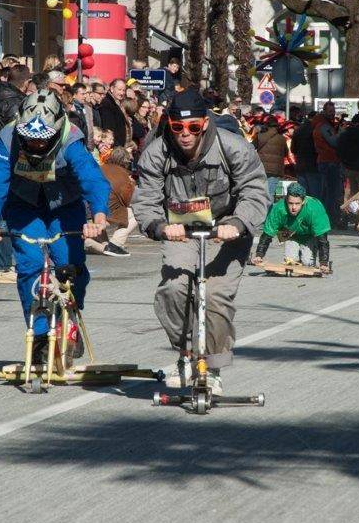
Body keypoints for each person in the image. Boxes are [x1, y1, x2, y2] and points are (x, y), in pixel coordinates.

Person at [132, 89, 270, 396]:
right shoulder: (156, 152)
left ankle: (213, 368)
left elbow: (256, 190)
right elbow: (145, 200)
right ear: (168, 124)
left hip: (226, 229)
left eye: (193, 127)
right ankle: (189, 357)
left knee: (217, 297)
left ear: (205, 124)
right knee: (174, 288)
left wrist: (238, 222)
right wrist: (157, 225)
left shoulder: (232, 147)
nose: (184, 134)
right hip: (181, 228)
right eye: (177, 127)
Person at [0, 90, 109, 361]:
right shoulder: (8, 138)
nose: (35, 146)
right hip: (24, 206)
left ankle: (70, 318)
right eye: (29, 140)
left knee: (70, 265)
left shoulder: (71, 138)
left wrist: (99, 216)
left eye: (42, 141)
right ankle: (38, 334)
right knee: (30, 265)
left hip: (64, 205)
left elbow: (92, 178)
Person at [251, 182, 331, 270]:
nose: (293, 207)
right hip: (289, 233)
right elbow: (267, 233)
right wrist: (259, 255)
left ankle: (307, 255)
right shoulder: (278, 208)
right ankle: (295, 256)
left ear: (303, 201)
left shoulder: (314, 209)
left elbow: (322, 239)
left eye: (297, 204)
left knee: (307, 262)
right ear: (286, 200)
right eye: (290, 203)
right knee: (290, 261)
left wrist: (323, 262)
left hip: (309, 235)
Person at [84, 146, 137, 257]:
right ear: (125, 161)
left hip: (90, 211)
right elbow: (127, 201)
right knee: (138, 213)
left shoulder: (101, 168)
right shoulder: (123, 175)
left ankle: (102, 244)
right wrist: (132, 185)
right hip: (106, 214)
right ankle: (116, 243)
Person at [311, 101, 342, 227]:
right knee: (331, 192)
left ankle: (326, 217)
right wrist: (342, 133)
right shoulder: (324, 126)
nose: (333, 114)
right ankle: (329, 218)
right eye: (330, 111)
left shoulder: (319, 125)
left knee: (325, 192)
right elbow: (334, 142)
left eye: (333, 111)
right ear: (324, 112)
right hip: (329, 161)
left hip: (325, 160)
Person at [253, 113, 288, 200]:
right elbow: (286, 153)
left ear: (266, 125)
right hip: (275, 171)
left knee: (260, 193)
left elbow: (251, 148)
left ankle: (260, 211)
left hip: (261, 168)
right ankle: (268, 212)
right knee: (270, 195)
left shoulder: (260, 136)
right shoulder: (282, 139)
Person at [96, 78, 130, 147]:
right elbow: (108, 128)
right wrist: (116, 146)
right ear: (112, 89)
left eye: (124, 90)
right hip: (113, 146)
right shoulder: (107, 104)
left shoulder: (116, 103)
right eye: (119, 90)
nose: (122, 93)